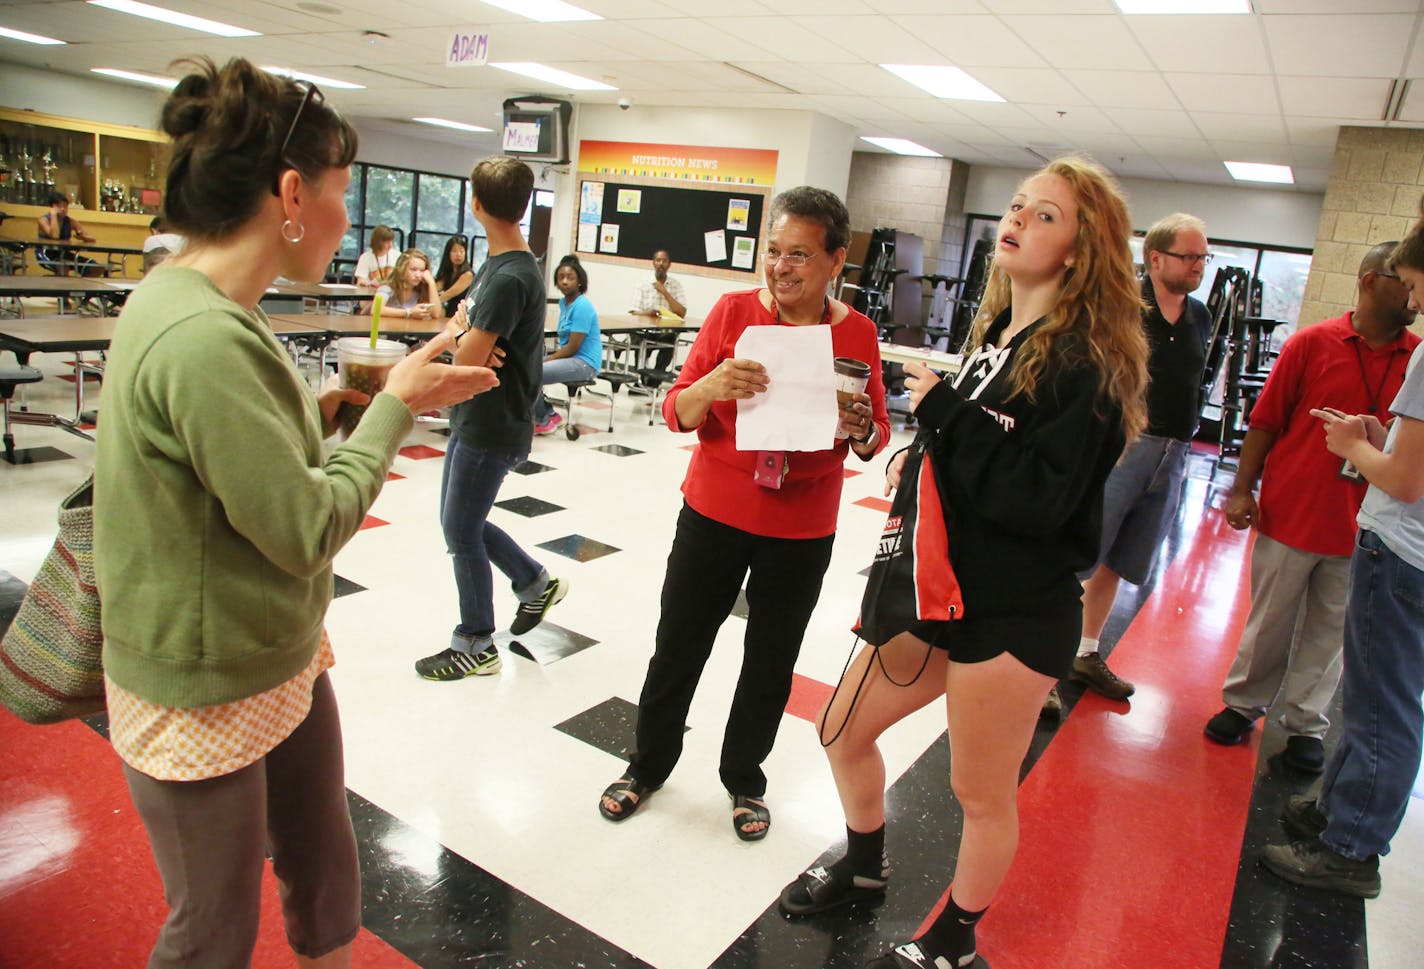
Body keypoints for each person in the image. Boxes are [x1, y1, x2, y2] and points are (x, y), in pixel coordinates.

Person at [92, 57, 496, 969]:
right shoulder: (201, 335)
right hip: (203, 676)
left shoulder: (195, 299)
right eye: (342, 192)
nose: (349, 218)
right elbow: (305, 526)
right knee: (213, 927)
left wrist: (346, 408)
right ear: (288, 193)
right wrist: (393, 409)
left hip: (271, 652)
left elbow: (225, 465)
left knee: (322, 865)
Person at [778, 158, 1148, 969]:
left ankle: (952, 940)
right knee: (841, 726)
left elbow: (1040, 500)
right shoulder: (994, 337)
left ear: (1083, 252)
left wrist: (948, 415)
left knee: (979, 792)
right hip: (937, 590)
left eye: (1046, 215)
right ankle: (866, 867)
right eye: (1017, 206)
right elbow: (974, 458)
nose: (1018, 219)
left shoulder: (1086, 364)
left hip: (1014, 611)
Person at [596, 186, 890, 842]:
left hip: (803, 523)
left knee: (771, 658)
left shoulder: (857, 332)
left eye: (800, 256)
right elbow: (676, 409)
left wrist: (861, 426)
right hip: (716, 509)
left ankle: (743, 777)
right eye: (774, 253)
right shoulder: (731, 313)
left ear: (837, 260)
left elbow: (874, 437)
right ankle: (647, 765)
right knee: (679, 644)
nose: (782, 268)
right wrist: (709, 386)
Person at [1204, 242, 1419, 772]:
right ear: (1371, 281)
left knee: (1332, 635)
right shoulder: (1310, 344)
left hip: (1365, 528)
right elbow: (1266, 421)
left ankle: (1306, 723)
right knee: (1269, 622)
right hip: (1293, 513)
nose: (1413, 296)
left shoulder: (1416, 356)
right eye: (1404, 282)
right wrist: (1241, 489)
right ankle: (1242, 705)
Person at [1260, 227, 1424, 899]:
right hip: (1403, 548)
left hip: (1403, 550)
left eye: (1416, 283)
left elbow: (1404, 482)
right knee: (1367, 696)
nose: (1413, 298)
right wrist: (1383, 439)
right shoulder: (1314, 342)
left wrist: (1351, 446)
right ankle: (1338, 807)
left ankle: (1352, 848)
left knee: (1383, 706)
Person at [415, 155, 568, 682]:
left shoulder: (510, 276)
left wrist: (462, 339)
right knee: (463, 523)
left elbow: (464, 357)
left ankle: (476, 642)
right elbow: (465, 330)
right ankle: (532, 582)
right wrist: (465, 334)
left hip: (493, 422)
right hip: (474, 414)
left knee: (460, 530)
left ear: (475, 204)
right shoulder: (497, 264)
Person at [1051, 213, 1213, 711]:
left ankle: (1085, 651)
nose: (1198, 266)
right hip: (1120, 448)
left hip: (1174, 453)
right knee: (1078, 560)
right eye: (1190, 257)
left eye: (1204, 258)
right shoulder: (1120, 309)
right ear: (1156, 258)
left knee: (1120, 561)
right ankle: (1044, 667)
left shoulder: (1200, 316)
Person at [533, 254, 602, 436]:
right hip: (571, 358)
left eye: (570, 278)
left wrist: (547, 360)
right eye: (561, 277)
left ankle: (543, 420)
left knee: (533, 373)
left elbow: (573, 347)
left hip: (584, 362)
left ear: (579, 281)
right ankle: (548, 412)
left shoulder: (582, 306)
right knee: (527, 367)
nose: (565, 282)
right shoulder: (564, 303)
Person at [630, 248, 687, 379]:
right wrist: (648, 313)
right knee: (640, 341)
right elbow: (634, 312)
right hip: (643, 330)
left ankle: (656, 378)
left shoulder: (675, 285)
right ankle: (638, 379)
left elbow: (682, 312)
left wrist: (665, 292)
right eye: (658, 260)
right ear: (653, 263)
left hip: (664, 331)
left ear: (669, 264)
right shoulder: (643, 284)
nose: (661, 263)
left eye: (664, 261)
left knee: (671, 339)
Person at [36, 190, 104, 277]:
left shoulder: (70, 221)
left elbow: (92, 239)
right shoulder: (43, 220)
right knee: (63, 267)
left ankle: (81, 288)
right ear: (53, 207)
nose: (63, 209)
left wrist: (82, 237)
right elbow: (55, 236)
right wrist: (53, 216)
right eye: (60, 206)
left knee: (96, 267)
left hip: (63, 253)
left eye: (65, 206)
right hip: (46, 253)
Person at [373, 247, 441, 320]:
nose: (418, 275)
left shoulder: (421, 290)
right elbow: (375, 310)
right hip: (388, 329)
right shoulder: (387, 287)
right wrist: (409, 312)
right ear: (402, 269)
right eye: (413, 270)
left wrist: (431, 283)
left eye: (422, 270)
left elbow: (436, 314)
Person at [434, 235, 474, 318]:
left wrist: (430, 304)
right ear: (448, 253)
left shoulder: (468, 274)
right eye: (454, 251)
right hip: (448, 314)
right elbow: (434, 288)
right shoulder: (447, 273)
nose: (458, 254)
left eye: (461, 251)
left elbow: (448, 295)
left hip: (462, 316)